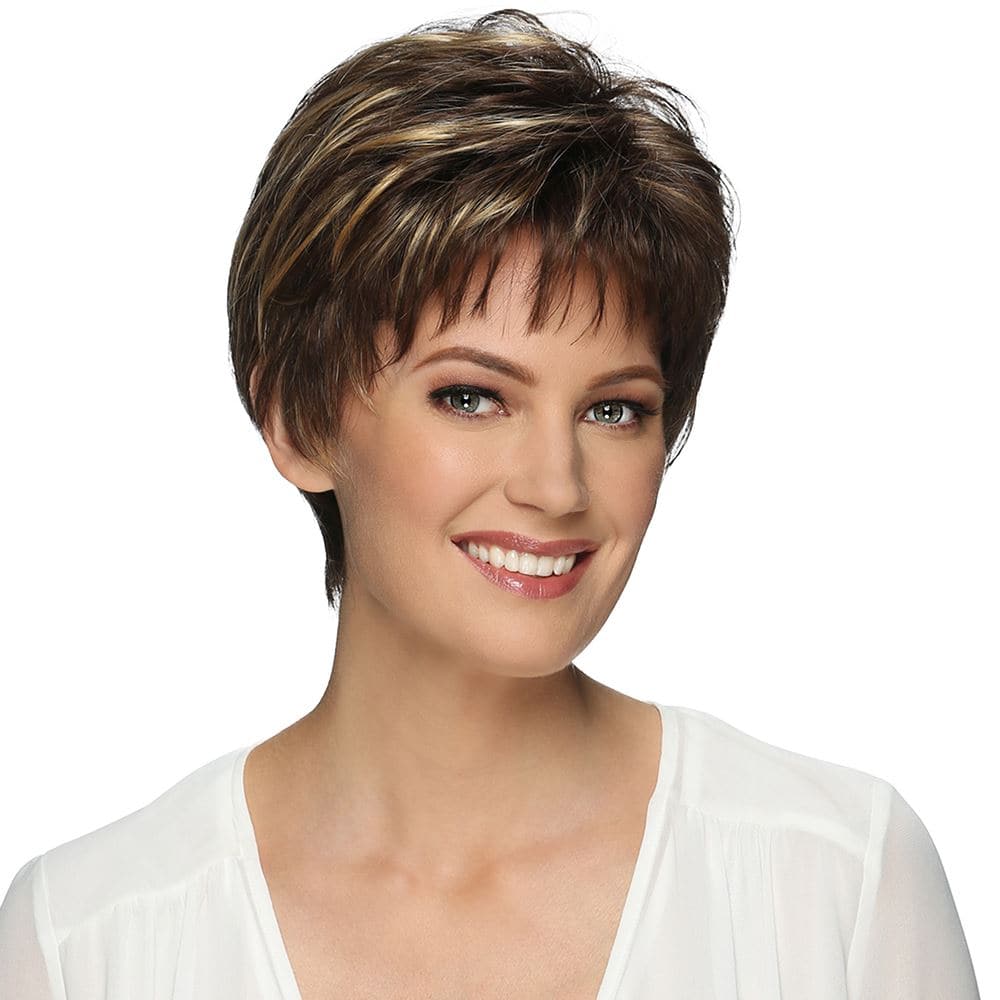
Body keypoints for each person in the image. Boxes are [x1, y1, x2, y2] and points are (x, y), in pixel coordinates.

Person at [0, 8, 981, 998]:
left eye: (613, 409)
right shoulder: (86, 939)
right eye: (470, 397)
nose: (555, 486)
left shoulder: (836, 880)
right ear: (297, 419)